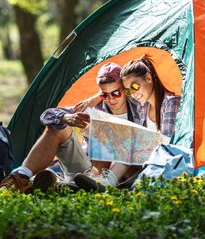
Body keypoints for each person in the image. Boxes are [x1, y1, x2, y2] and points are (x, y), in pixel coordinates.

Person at [0, 62, 141, 193]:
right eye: (104, 94)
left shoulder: (139, 108)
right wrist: (66, 118)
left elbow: (145, 71)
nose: (111, 99)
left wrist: (96, 98)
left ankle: (68, 186)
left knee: (129, 137)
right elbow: (47, 115)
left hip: (121, 174)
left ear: (124, 88)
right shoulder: (92, 108)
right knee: (58, 127)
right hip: (88, 173)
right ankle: (21, 178)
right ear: (100, 92)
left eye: (116, 93)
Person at [74, 55, 181, 189]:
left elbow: (168, 144)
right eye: (129, 90)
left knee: (130, 138)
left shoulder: (170, 102)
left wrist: (135, 141)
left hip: (166, 160)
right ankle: (98, 181)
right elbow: (118, 81)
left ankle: (106, 182)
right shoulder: (143, 106)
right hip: (141, 162)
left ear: (148, 78)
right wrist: (96, 98)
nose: (134, 93)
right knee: (111, 133)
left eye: (135, 86)